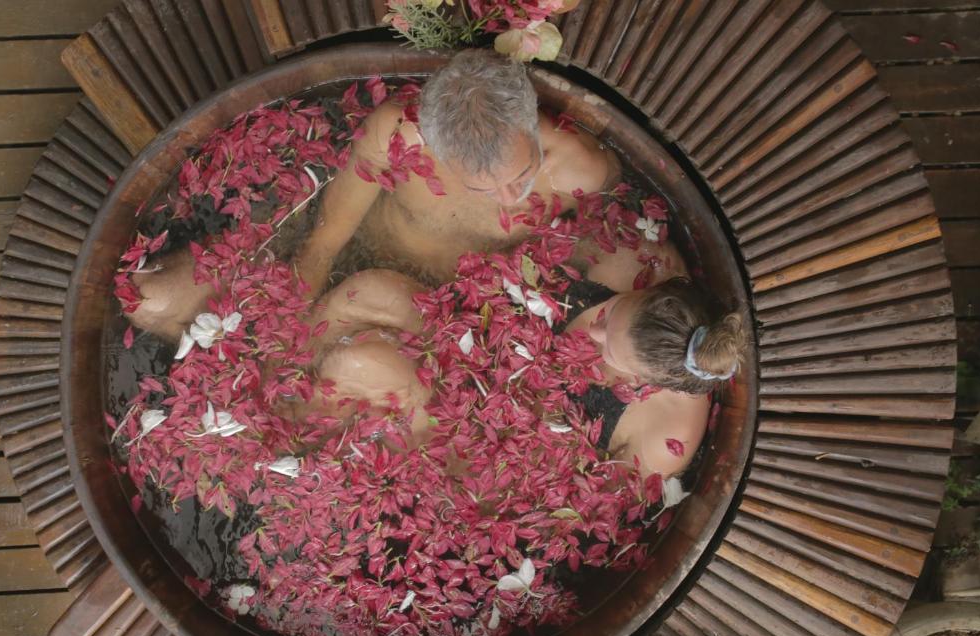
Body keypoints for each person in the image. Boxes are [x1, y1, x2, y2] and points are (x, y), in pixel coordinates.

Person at [127, 49, 620, 340]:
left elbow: (597, 248)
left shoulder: (583, 170)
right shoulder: (398, 136)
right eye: (483, 187)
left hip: (444, 305)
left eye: (523, 173)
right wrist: (289, 332)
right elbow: (325, 239)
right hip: (345, 250)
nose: (511, 198)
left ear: (530, 121)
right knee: (146, 302)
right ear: (437, 149)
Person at [277, 239, 745, 479]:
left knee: (356, 369)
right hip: (472, 345)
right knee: (370, 291)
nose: (592, 329)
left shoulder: (664, 440)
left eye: (607, 348)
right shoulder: (631, 259)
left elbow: (564, 508)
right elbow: (523, 255)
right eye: (608, 311)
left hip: (492, 442)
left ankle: (323, 445)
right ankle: (285, 378)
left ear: (651, 382)